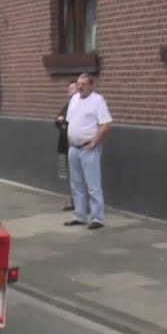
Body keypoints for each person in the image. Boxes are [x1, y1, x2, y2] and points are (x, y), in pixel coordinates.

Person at [63, 73, 112, 230]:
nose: (80, 87)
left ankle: (97, 217)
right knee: (76, 184)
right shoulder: (74, 100)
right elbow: (71, 121)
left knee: (93, 184)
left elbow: (105, 125)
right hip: (73, 147)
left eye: (84, 84)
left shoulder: (97, 101)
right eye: (78, 83)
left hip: (88, 148)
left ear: (91, 85)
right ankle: (79, 215)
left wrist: (93, 143)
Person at [55, 81, 79, 212]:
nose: (69, 92)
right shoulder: (67, 105)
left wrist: (63, 122)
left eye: (72, 89)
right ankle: (73, 201)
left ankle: (79, 202)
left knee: (78, 176)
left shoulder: (78, 106)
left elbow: (66, 121)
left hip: (75, 144)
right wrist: (62, 123)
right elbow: (57, 120)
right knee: (69, 174)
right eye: (69, 89)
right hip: (65, 144)